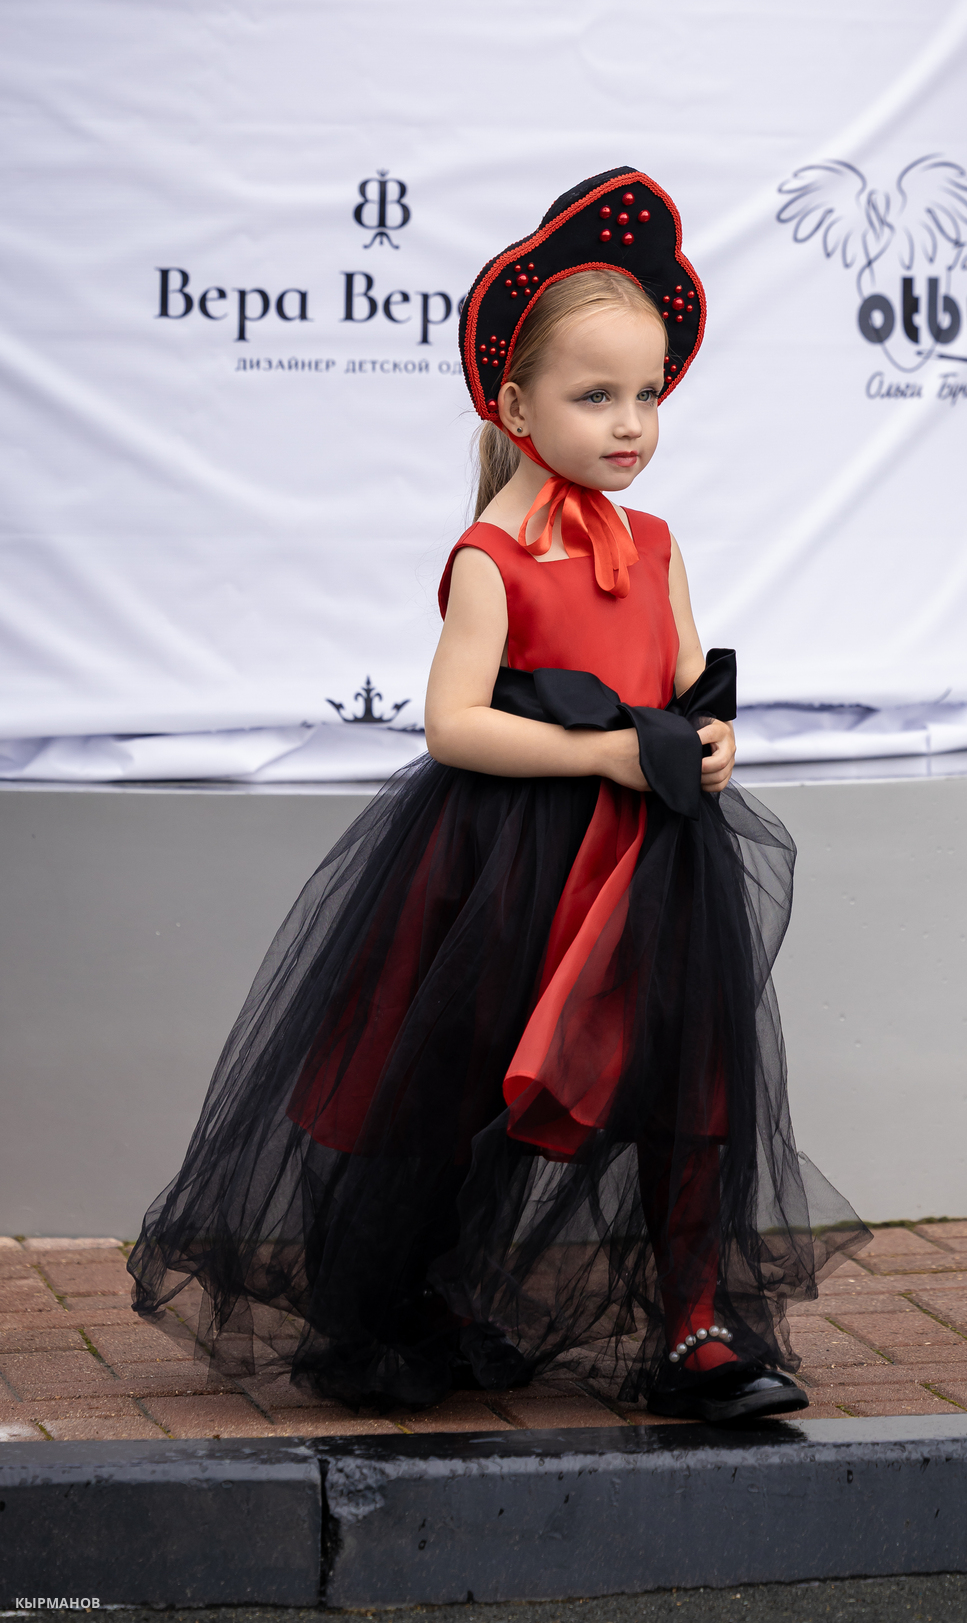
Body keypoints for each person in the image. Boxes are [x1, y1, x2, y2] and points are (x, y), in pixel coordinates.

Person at [129, 167, 867, 1425]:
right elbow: (453, 723)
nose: (630, 424)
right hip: (510, 862)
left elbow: (686, 679)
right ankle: (405, 1299)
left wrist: (712, 739)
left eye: (647, 395)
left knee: (688, 1084)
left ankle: (692, 1327)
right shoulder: (493, 557)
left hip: (649, 862)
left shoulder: (655, 544)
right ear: (514, 404)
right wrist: (601, 757)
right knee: (455, 1084)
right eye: (595, 397)